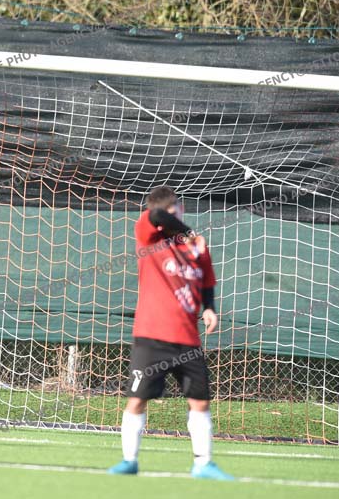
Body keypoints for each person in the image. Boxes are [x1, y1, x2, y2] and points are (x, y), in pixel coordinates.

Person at [108, 185, 234, 480]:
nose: (180, 210)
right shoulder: (149, 237)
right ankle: (129, 461)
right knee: (137, 398)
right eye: (175, 207)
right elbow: (155, 216)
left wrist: (209, 308)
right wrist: (183, 229)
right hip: (151, 335)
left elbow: (207, 280)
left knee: (200, 400)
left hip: (187, 339)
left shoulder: (197, 246)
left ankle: (203, 464)